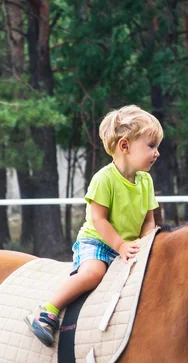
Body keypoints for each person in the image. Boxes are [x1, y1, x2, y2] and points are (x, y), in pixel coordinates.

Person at [25, 105, 163, 347]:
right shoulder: (104, 179)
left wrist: (145, 243)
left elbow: (149, 219)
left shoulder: (146, 180)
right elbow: (99, 220)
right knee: (94, 273)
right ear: (124, 146)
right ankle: (47, 310)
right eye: (151, 146)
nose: (157, 153)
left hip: (128, 245)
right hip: (98, 242)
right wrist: (120, 245)